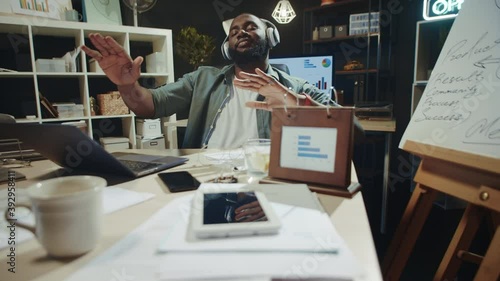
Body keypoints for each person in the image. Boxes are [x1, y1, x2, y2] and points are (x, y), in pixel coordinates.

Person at [82, 13, 362, 148]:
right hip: (204, 178)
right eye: (234, 31)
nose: (241, 32)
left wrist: (293, 102)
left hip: (262, 180)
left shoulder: (297, 88)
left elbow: (355, 133)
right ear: (228, 47)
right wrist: (127, 85)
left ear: (271, 37)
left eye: (251, 27)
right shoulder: (202, 79)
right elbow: (149, 105)